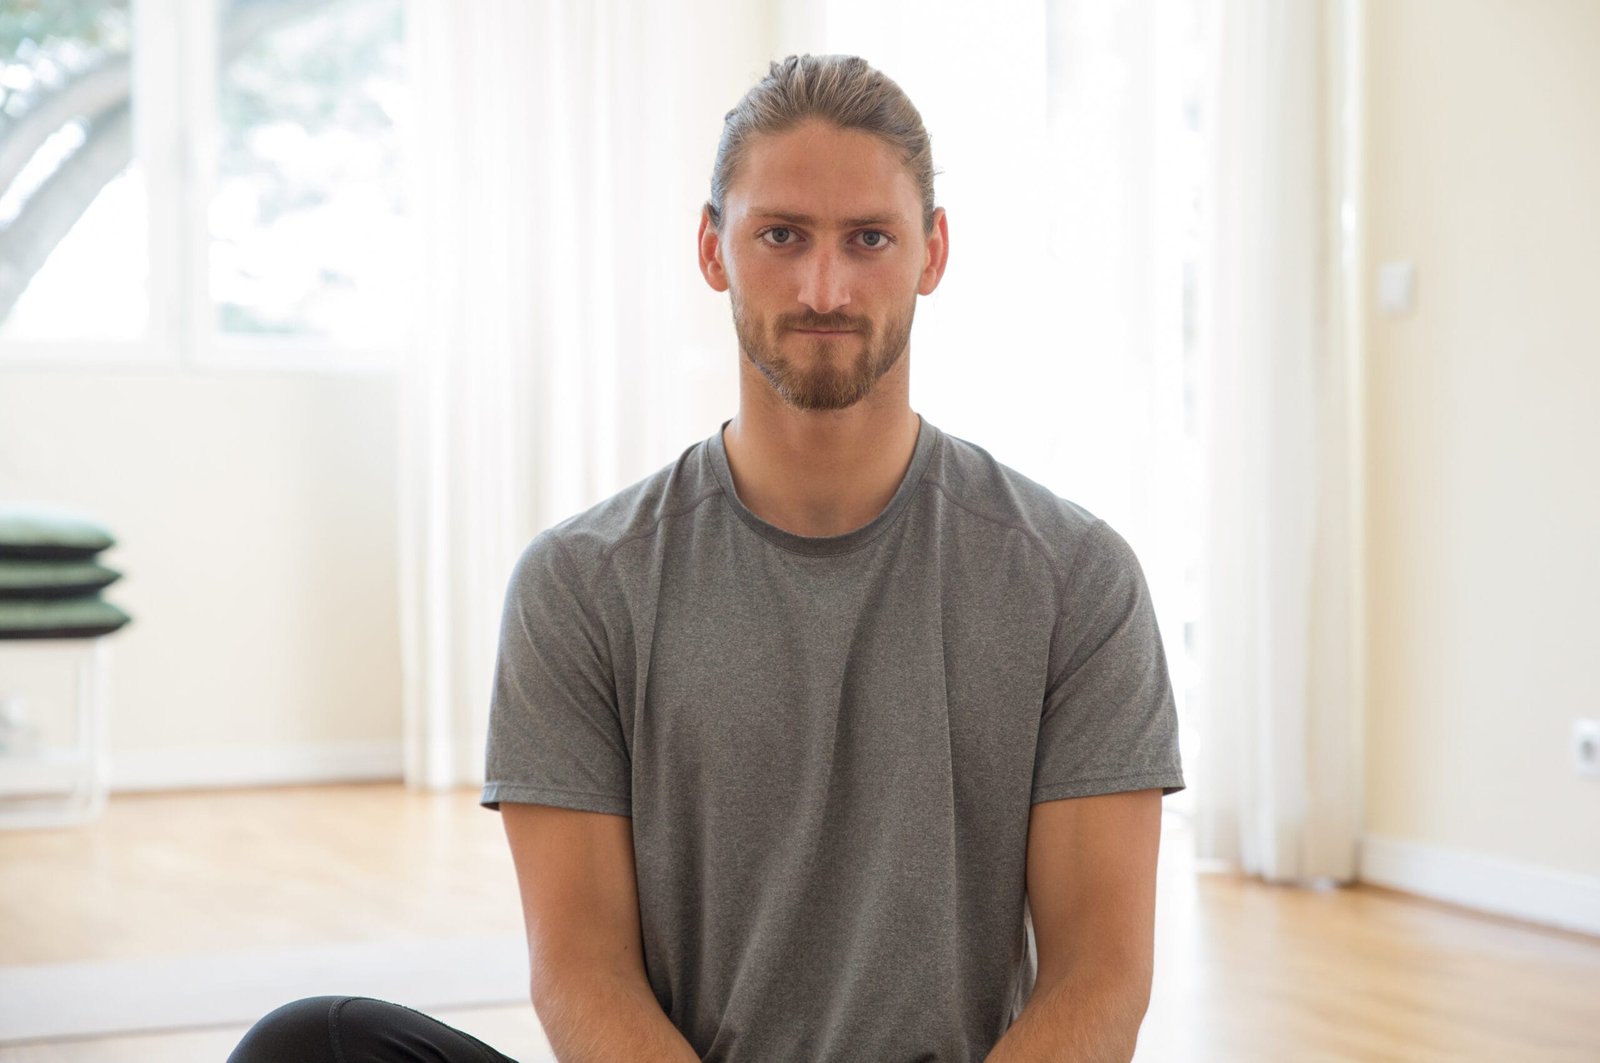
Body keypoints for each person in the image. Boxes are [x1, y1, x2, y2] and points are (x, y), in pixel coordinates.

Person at [229, 53, 1185, 1063]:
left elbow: (1099, 982)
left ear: (932, 252)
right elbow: (582, 972)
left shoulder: (1074, 578)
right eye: (782, 235)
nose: (825, 286)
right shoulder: (582, 585)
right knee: (308, 1047)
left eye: (869, 239)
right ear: (711, 245)